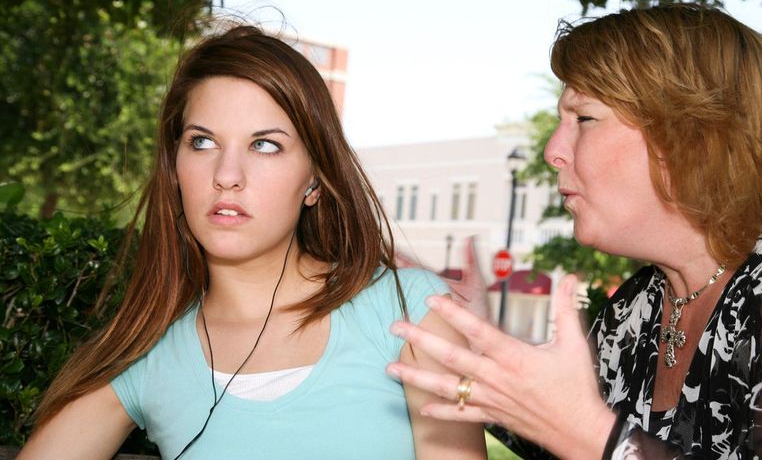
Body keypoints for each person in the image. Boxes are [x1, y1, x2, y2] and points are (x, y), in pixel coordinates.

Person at [17, 25, 486, 460]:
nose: (226, 176)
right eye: (202, 142)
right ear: (174, 169)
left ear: (315, 181)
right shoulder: (147, 355)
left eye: (265, 145)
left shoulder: (409, 313)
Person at [385, 3, 762, 459]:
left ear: (690, 136)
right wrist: (485, 344)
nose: (553, 151)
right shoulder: (636, 308)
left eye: (584, 119)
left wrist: (593, 436)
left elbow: (587, 435)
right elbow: (563, 435)